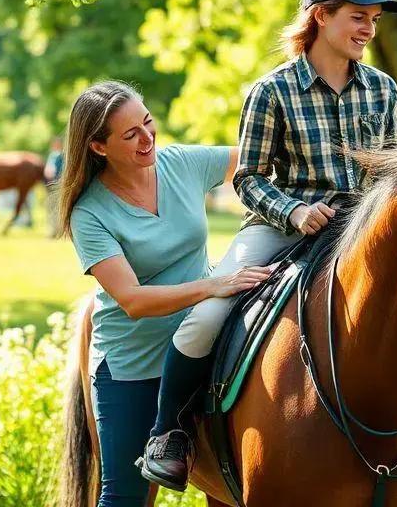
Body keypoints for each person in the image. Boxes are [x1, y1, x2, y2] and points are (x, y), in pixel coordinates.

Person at [140, 0, 397, 490]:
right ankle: (169, 436)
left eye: (374, 20)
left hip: (363, 235)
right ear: (320, 16)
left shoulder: (381, 90)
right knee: (207, 316)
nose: (369, 29)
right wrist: (294, 210)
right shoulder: (272, 91)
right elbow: (247, 177)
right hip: (282, 228)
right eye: (358, 17)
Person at [61, 81, 274, 505]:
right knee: (125, 498)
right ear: (99, 148)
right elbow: (134, 300)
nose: (148, 138)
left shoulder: (180, 163)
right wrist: (215, 285)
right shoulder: (90, 213)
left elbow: (254, 164)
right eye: (131, 135)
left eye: (148, 122)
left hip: (204, 345)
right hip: (135, 365)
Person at [45, 136, 66, 238]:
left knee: (56, 208)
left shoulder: (60, 156)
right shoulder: (52, 155)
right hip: (51, 184)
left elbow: (58, 171)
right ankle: (54, 230)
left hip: (57, 184)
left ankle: (57, 231)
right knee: (52, 207)